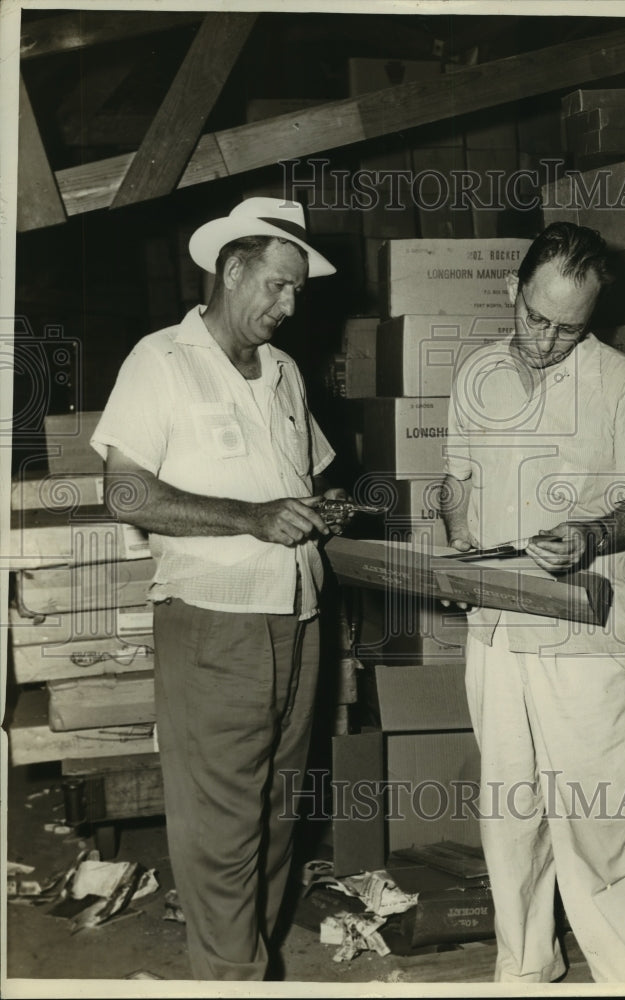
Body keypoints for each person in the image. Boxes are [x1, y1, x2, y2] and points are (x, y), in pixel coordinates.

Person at [91, 197, 348, 981]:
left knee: (277, 820)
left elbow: (302, 480)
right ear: (231, 270)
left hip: (299, 619)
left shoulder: (286, 372)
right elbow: (126, 495)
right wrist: (252, 516)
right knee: (221, 834)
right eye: (276, 286)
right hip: (213, 625)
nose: (289, 305)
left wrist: (319, 510)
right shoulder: (161, 361)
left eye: (298, 291)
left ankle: (248, 973)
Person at [440, 221, 625, 984]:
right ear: (512, 291)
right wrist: (456, 536)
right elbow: (457, 481)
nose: (545, 340)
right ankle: (525, 967)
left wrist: (592, 533)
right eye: (536, 318)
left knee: (600, 813)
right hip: (499, 629)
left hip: (588, 632)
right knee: (510, 808)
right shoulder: (476, 374)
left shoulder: (622, 384)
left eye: (569, 329)